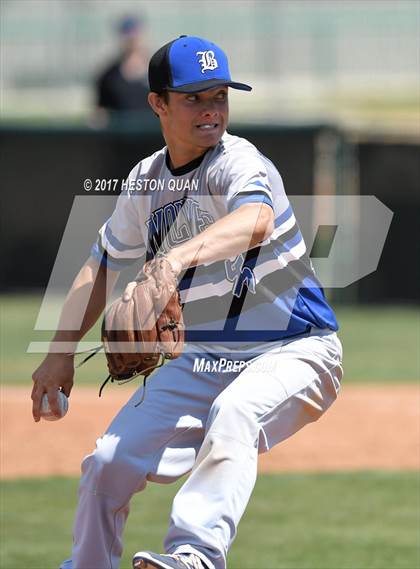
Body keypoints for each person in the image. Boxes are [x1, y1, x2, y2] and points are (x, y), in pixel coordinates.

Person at [32, 36, 343, 569]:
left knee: (235, 413)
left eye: (219, 96)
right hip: (205, 357)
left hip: (297, 351)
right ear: (158, 103)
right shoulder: (145, 180)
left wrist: (171, 261)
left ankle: (195, 556)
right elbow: (102, 263)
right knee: (109, 461)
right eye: (194, 98)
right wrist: (59, 350)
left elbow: (255, 220)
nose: (211, 110)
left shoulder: (240, 162)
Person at [94, 15, 150, 122]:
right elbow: (100, 113)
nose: (132, 40)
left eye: (135, 34)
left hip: (151, 137)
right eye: (128, 35)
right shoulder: (108, 76)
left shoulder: (157, 71)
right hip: (120, 137)